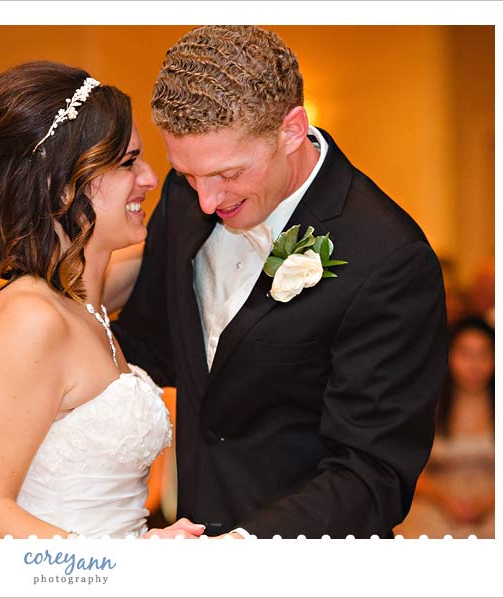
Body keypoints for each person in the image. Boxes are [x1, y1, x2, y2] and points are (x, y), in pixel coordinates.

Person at [112, 26, 449, 538]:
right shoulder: (187, 201)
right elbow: (153, 348)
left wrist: (243, 548)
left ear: (292, 129)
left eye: (228, 173)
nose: (206, 201)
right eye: (188, 174)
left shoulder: (388, 257)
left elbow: (372, 472)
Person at [0, 61, 204, 540]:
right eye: (129, 162)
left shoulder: (83, 302)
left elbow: (162, 265)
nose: (152, 179)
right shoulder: (29, 318)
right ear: (64, 183)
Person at [397, 317, 495, 538]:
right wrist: (445, 499)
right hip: (436, 503)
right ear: (449, 355)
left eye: (484, 355)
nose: (474, 365)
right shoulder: (428, 404)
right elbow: (406, 467)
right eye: (465, 355)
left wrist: (488, 502)